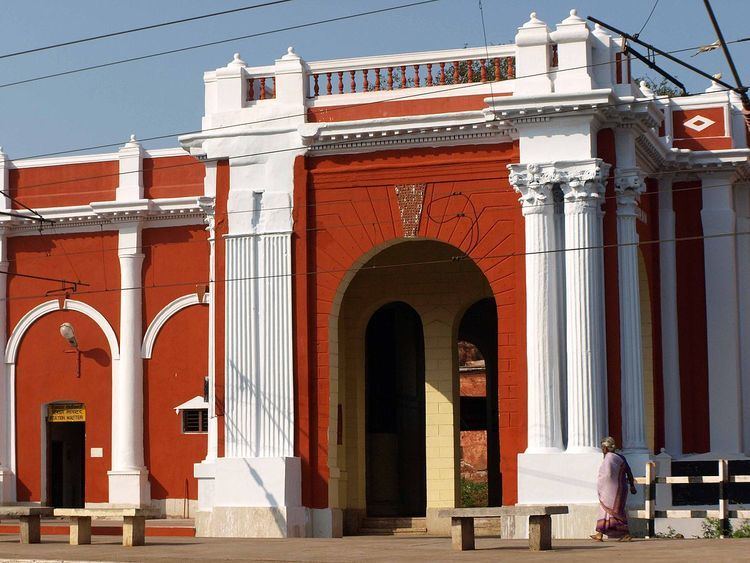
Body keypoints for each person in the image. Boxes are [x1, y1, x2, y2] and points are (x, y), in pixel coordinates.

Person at [590, 436, 637, 542]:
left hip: (614, 491)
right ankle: (599, 534)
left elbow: (607, 475)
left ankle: (626, 534)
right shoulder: (619, 458)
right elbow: (628, 472)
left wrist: (603, 484)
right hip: (615, 489)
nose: (602, 450)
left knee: (617, 512)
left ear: (606, 448)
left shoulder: (609, 458)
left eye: (602, 447)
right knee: (604, 511)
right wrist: (632, 486)